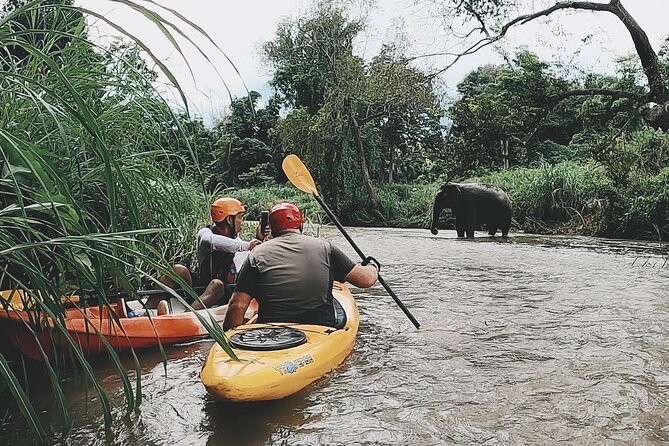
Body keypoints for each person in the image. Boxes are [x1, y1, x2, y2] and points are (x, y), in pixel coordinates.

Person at [223, 202, 379, 330]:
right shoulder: (326, 248)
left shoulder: (256, 254)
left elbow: (237, 305)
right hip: (320, 328)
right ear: (300, 225)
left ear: (272, 228)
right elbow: (365, 280)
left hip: (271, 331)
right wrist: (373, 266)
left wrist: (231, 340)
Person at [145, 197, 265, 315]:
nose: (241, 222)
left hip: (223, 294)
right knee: (178, 270)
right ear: (229, 219)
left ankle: (185, 315)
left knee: (217, 284)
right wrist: (247, 245)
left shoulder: (238, 242)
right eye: (239, 218)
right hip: (201, 290)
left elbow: (250, 261)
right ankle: (145, 311)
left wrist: (259, 240)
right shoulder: (206, 234)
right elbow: (213, 242)